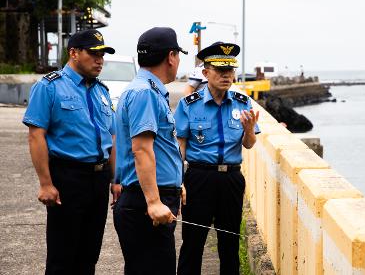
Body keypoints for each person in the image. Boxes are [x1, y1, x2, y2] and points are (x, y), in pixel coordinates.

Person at [22, 29, 119, 274]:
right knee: (62, 256)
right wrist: (45, 183)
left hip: (99, 178)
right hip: (68, 178)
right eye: (93, 53)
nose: (100, 60)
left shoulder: (101, 91)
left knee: (89, 255)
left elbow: (112, 137)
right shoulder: (49, 86)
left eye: (102, 55)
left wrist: (116, 180)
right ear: (74, 53)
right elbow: (36, 135)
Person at [175, 42, 260, 275]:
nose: (226, 75)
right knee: (193, 243)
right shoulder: (188, 105)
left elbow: (249, 144)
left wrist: (250, 129)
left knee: (229, 243)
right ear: (205, 73)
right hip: (199, 178)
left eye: (230, 71)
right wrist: (178, 181)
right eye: (220, 70)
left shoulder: (242, 104)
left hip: (231, 178)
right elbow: (180, 146)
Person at [113, 27, 187, 274]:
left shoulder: (147, 90)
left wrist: (177, 184)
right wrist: (154, 201)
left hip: (151, 196)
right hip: (144, 202)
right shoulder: (145, 93)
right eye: (178, 55)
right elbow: (142, 150)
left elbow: (161, 146)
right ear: (170, 57)